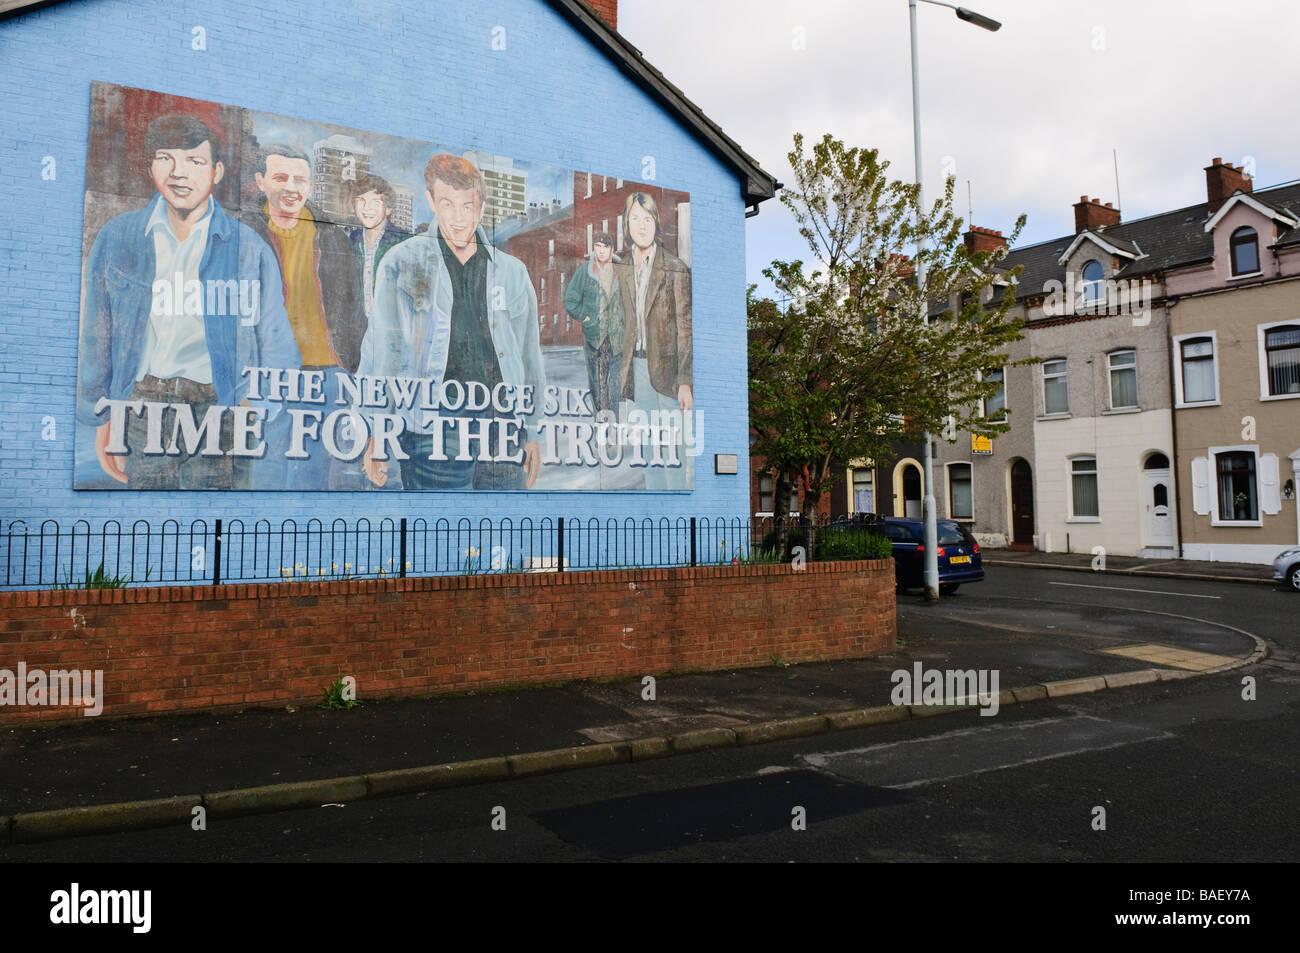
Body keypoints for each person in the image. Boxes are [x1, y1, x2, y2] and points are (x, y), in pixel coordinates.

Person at [78, 114, 299, 489]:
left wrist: (255, 411)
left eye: (194, 161)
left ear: (216, 171)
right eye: (165, 158)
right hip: (141, 408)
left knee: (220, 526)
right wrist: (103, 415)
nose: (179, 173)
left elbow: (277, 341)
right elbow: (98, 335)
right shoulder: (118, 237)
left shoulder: (248, 248)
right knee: (147, 528)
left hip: (223, 409)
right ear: (151, 167)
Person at [356, 153, 545, 491]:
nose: (459, 218)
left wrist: (531, 430)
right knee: (438, 531)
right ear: (431, 201)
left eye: (467, 206)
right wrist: (375, 427)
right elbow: (382, 351)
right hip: (432, 423)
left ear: (482, 206)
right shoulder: (402, 261)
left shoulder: (513, 272)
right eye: (448, 204)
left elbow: (529, 357)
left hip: (502, 424)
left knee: (503, 530)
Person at [244, 144, 366, 489]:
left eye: (300, 179)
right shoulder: (244, 233)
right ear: (261, 182)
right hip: (269, 372)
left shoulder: (334, 238)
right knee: (266, 471)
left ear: (310, 186)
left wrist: (355, 374)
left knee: (314, 475)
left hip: (329, 375)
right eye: (280, 177)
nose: (290, 187)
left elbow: (354, 311)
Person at [615, 191, 693, 490]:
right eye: (635, 218)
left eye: (647, 218)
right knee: (648, 448)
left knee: (672, 448)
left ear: (656, 223)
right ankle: (653, 505)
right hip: (637, 369)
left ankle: (675, 513)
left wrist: (685, 380)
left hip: (669, 372)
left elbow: (685, 327)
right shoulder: (621, 266)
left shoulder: (675, 268)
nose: (641, 225)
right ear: (627, 224)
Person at [564, 231, 623, 415]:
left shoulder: (621, 271)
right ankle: (601, 423)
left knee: (615, 386)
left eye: (606, 247)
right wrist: (585, 317)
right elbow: (570, 300)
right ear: (594, 248)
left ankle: (613, 427)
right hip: (594, 338)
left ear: (612, 250)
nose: (602, 250)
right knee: (597, 385)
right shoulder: (585, 271)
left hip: (616, 337)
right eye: (598, 246)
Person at [347, 173, 407, 320]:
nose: (367, 207)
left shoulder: (402, 242)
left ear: (388, 209)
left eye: (376, 202)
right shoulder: (351, 241)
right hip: (358, 330)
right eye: (361, 200)